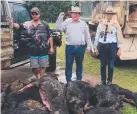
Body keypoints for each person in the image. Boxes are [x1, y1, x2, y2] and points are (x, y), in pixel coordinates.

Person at [13, 7, 54, 79]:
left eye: (36, 13)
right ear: (31, 15)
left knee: (43, 66)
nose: (34, 15)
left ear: (39, 14)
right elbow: (18, 26)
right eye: (33, 14)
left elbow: (50, 36)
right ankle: (38, 77)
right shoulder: (27, 24)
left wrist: (51, 47)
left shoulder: (45, 24)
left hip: (43, 50)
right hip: (33, 50)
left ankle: (41, 80)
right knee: (34, 68)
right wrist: (10, 23)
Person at [55, 6, 92, 83]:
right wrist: (60, 17)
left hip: (80, 48)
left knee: (79, 64)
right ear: (71, 14)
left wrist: (88, 46)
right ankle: (68, 82)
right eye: (74, 13)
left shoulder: (83, 23)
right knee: (68, 65)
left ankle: (79, 81)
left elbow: (87, 36)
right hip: (69, 48)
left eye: (77, 14)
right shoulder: (67, 22)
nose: (75, 15)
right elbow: (58, 28)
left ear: (79, 15)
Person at [94, 6, 123, 85]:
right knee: (103, 64)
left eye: (111, 14)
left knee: (111, 64)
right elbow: (97, 36)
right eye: (107, 14)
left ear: (113, 15)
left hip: (112, 46)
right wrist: (95, 47)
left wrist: (119, 48)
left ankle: (109, 81)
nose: (109, 16)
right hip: (102, 45)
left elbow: (119, 37)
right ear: (105, 15)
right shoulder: (101, 24)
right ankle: (103, 80)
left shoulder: (116, 25)